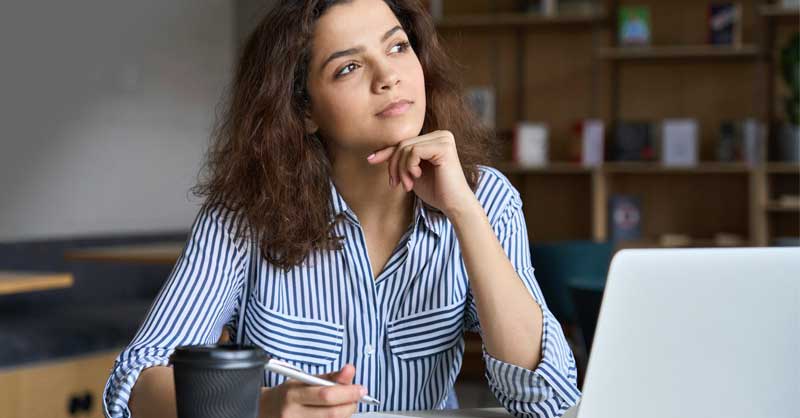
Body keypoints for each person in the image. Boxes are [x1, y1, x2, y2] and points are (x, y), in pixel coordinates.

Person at [102, 1, 580, 417]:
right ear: (305, 111)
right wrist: (260, 411)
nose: (388, 75)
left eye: (397, 47)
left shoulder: (485, 198)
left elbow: (547, 398)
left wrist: (464, 212)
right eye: (348, 67)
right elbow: (134, 387)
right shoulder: (244, 216)